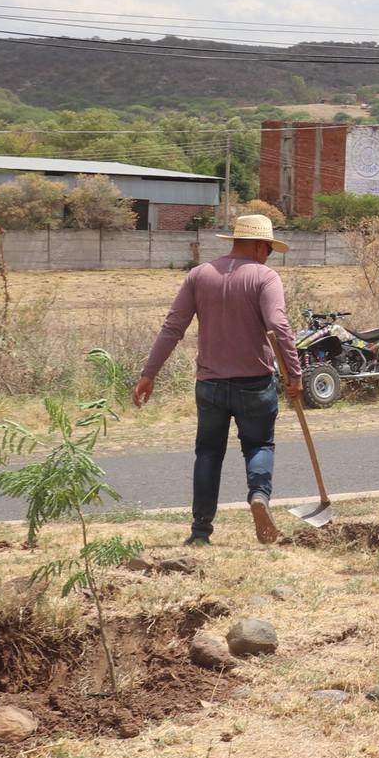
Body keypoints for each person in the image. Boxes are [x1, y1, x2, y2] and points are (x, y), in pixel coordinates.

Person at [133, 212, 302, 547]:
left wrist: (148, 374)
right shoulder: (265, 278)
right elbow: (279, 326)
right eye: (268, 249)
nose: (267, 256)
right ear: (258, 246)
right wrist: (294, 374)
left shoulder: (199, 275)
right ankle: (258, 497)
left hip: (209, 385)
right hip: (254, 383)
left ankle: (200, 532)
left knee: (208, 453)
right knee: (259, 444)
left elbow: (172, 327)